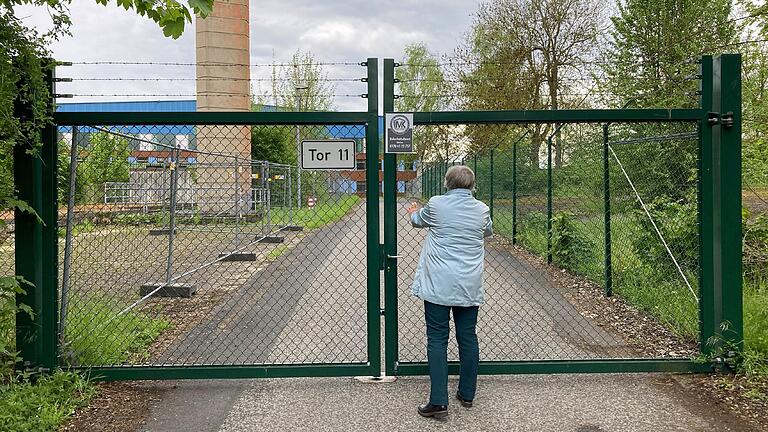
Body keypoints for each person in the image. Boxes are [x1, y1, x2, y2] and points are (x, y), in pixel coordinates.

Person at [407, 165, 492, 419]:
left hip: (438, 285)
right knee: (468, 337)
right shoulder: (482, 209)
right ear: (472, 185)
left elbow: (416, 221)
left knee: (437, 338)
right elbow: (487, 231)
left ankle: (438, 402)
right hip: (468, 283)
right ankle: (467, 394)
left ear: (447, 183)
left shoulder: (436, 204)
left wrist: (412, 210)